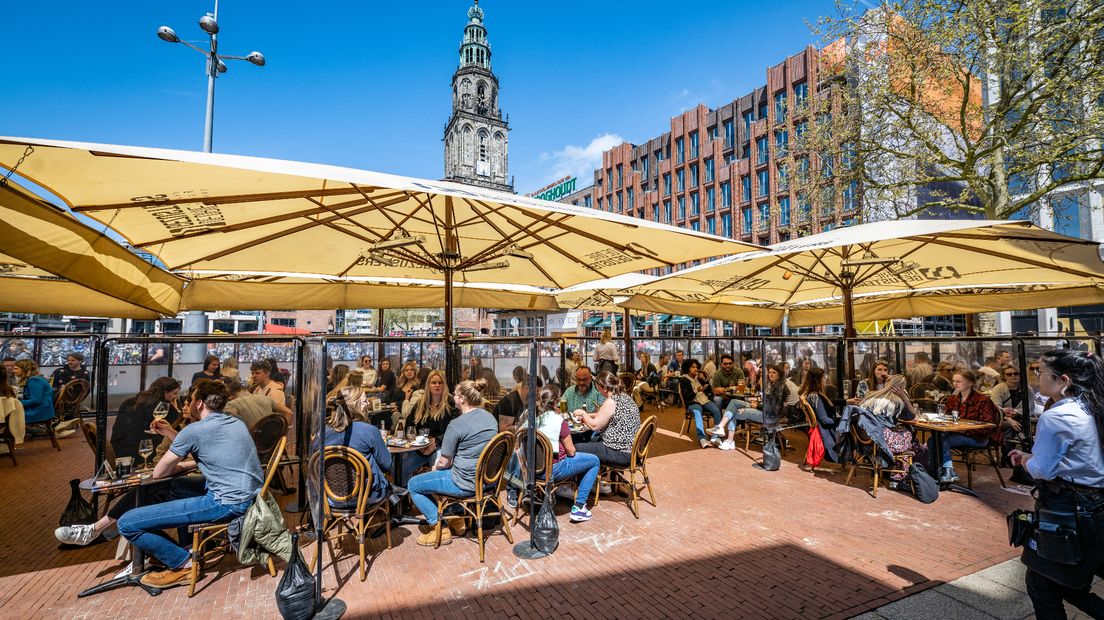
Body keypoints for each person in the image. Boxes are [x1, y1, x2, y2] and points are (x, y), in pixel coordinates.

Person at [116, 379, 264, 589]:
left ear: (200, 403)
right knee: (175, 488)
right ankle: (182, 546)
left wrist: (178, 464)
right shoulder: (235, 421)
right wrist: (171, 435)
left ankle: (183, 563)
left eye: (192, 399)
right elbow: (202, 448)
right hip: (248, 495)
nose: (189, 402)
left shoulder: (194, 430)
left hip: (226, 502)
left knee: (127, 523)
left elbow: (159, 473)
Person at [1008, 350, 1104, 619]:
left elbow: (1044, 470)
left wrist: (1026, 459)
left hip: (1069, 507)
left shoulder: (1059, 416)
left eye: (1040, 372)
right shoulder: (1094, 405)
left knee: (1042, 585)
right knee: (1068, 583)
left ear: (1063, 380)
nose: (1036, 377)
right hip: (1095, 505)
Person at [406, 378, 497, 547]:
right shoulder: (490, 418)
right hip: (487, 480)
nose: (453, 397)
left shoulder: (456, 424)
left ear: (462, 399)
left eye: (455, 395)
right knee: (434, 479)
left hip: (464, 482)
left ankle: (439, 526)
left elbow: (444, 463)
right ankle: (455, 519)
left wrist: (435, 467)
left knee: (414, 484)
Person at [507, 385, 601, 523]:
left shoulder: (528, 416)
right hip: (553, 470)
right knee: (594, 461)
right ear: (557, 402)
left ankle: (536, 493)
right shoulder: (558, 421)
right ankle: (579, 506)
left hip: (529, 470)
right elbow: (571, 451)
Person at [930, 369, 1001, 484]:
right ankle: (935, 472)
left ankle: (948, 471)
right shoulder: (953, 399)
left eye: (959, 381)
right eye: (954, 381)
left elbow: (988, 426)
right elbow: (947, 418)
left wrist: (964, 430)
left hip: (978, 438)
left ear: (970, 383)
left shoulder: (982, 400)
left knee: (942, 440)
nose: (955, 384)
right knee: (932, 440)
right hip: (958, 434)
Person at [323, 399, 392, 507]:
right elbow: (387, 465)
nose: (369, 403)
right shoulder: (369, 431)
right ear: (354, 405)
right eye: (365, 401)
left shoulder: (322, 433)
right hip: (367, 496)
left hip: (330, 498)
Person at [396, 369, 457, 485]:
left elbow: (453, 431)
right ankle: (405, 498)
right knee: (399, 468)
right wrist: (416, 442)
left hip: (441, 447)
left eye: (440, 382)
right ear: (428, 385)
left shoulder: (451, 404)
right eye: (433, 382)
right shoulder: (420, 403)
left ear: (444, 385)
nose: (437, 385)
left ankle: (434, 500)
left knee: (438, 470)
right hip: (420, 448)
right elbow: (409, 425)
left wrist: (435, 443)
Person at [574, 371, 641, 468]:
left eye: (598, 388)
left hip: (619, 453)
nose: (598, 391)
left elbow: (594, 426)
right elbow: (607, 414)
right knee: (592, 441)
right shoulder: (624, 396)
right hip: (632, 450)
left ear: (605, 388)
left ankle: (585, 480)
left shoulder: (611, 401)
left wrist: (583, 413)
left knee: (576, 447)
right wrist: (590, 415)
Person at [861, 375, 918, 486]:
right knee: (908, 435)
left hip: (868, 440)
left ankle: (890, 468)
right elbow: (913, 417)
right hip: (882, 441)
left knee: (902, 433)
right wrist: (904, 397)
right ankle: (900, 475)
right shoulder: (897, 402)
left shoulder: (871, 396)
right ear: (902, 388)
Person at [111, 377, 181, 460]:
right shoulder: (164, 407)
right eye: (174, 393)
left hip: (118, 449)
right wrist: (177, 409)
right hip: (143, 452)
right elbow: (173, 429)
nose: (175, 397)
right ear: (165, 391)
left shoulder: (130, 402)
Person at [679, 359, 722, 449]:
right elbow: (687, 396)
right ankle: (702, 438)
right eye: (693, 367)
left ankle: (715, 436)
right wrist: (697, 390)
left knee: (716, 410)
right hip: (693, 402)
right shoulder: (684, 379)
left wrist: (705, 380)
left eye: (696, 367)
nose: (695, 369)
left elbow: (710, 390)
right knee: (698, 413)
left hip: (705, 400)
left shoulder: (699, 377)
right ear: (688, 368)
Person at [800, 367, 839, 464]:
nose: (825, 379)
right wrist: (842, 420)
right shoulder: (815, 397)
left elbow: (824, 404)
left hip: (824, 427)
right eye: (823, 378)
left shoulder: (812, 395)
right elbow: (825, 420)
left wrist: (846, 402)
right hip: (829, 430)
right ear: (817, 380)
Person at [992, 364, 1030, 458]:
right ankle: (1008, 456)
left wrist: (1016, 412)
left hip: (1021, 417)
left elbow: (1030, 407)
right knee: (1010, 428)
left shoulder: (1027, 389)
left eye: (1016, 373)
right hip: (1001, 419)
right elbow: (995, 409)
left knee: (1024, 426)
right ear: (1004, 376)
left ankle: (1025, 453)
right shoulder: (999, 388)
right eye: (1009, 374)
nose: (1013, 376)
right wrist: (1008, 419)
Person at [223, 377, 292, 428]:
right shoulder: (266, 398)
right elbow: (289, 412)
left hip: (252, 444)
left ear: (229, 396)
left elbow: (228, 428)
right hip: (273, 442)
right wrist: (282, 435)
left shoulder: (231, 405)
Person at [12, 360, 55, 428]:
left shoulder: (34, 381)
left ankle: (13, 435)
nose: (13, 371)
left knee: (8, 415)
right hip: (40, 410)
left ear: (24, 369)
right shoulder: (33, 379)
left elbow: (35, 401)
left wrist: (16, 402)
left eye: (16, 369)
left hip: (39, 412)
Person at [493, 367, 530, 432]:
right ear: (526, 388)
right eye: (537, 392)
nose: (538, 396)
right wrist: (523, 426)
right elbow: (504, 431)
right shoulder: (509, 402)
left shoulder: (527, 401)